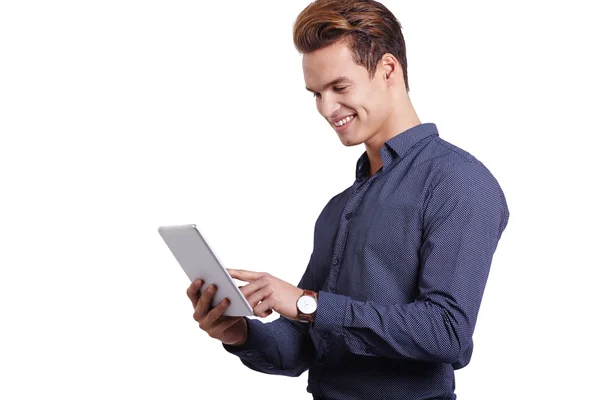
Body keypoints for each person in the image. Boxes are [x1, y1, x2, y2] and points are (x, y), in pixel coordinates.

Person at [186, 0, 509, 398]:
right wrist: (238, 333)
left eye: (339, 87)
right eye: (316, 93)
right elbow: (303, 346)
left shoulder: (459, 182)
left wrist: (309, 303)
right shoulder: (339, 208)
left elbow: (447, 333)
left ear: (388, 70)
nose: (326, 108)